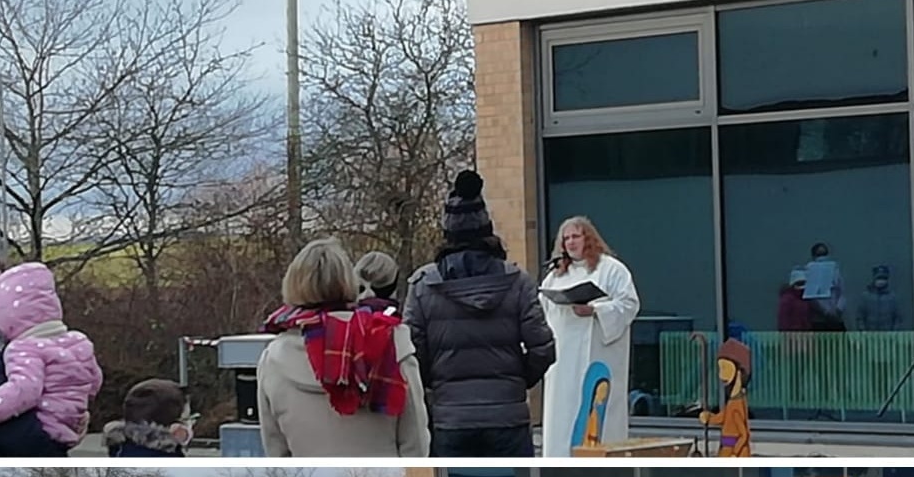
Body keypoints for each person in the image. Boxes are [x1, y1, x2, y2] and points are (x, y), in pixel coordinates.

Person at [404, 171, 555, 457]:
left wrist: (437, 385)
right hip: (507, 415)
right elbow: (543, 348)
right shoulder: (518, 282)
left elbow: (412, 352)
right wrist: (517, 380)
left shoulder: (423, 285)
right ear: (487, 228)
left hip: (451, 417)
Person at [259, 237, 430, 457]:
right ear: (349, 281)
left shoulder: (272, 360)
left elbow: (276, 451)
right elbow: (415, 443)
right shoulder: (392, 341)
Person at [540, 216, 639, 457]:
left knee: (595, 412)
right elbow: (542, 311)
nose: (571, 242)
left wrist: (596, 310)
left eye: (576, 236)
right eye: (566, 238)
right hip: (563, 361)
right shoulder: (556, 276)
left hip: (598, 354)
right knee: (562, 415)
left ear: (589, 238)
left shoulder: (611, 270)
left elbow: (629, 304)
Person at [0, 261, 102, 461]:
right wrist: (78, 404)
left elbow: (24, 391)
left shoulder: (23, 348)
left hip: (43, 428)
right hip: (69, 425)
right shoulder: (78, 340)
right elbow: (94, 380)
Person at [104, 378, 192, 458]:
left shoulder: (121, 449)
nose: (189, 425)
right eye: (185, 420)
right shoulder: (166, 458)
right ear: (174, 428)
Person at [856, 266, 904, 332]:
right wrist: (863, 332)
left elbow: (898, 318)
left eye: (883, 278)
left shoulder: (892, 297)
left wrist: (894, 333)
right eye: (879, 278)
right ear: (874, 279)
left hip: (887, 336)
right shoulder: (865, 297)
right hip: (869, 336)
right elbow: (860, 317)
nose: (881, 281)